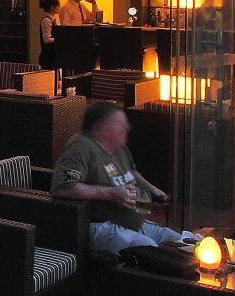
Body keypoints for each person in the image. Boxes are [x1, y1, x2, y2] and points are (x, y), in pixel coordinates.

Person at [51, 102, 192, 257]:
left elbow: (132, 174)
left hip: (134, 223)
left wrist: (153, 192)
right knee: (151, 251)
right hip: (101, 226)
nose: (128, 127)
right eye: (120, 124)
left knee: (182, 242)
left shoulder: (118, 146)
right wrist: (111, 194)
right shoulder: (80, 148)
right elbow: (62, 187)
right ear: (102, 128)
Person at [36, 0, 62, 70]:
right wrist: (60, 39)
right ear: (52, 7)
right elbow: (47, 39)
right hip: (48, 57)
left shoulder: (52, 20)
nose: (59, 8)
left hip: (52, 56)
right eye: (58, 6)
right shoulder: (46, 20)